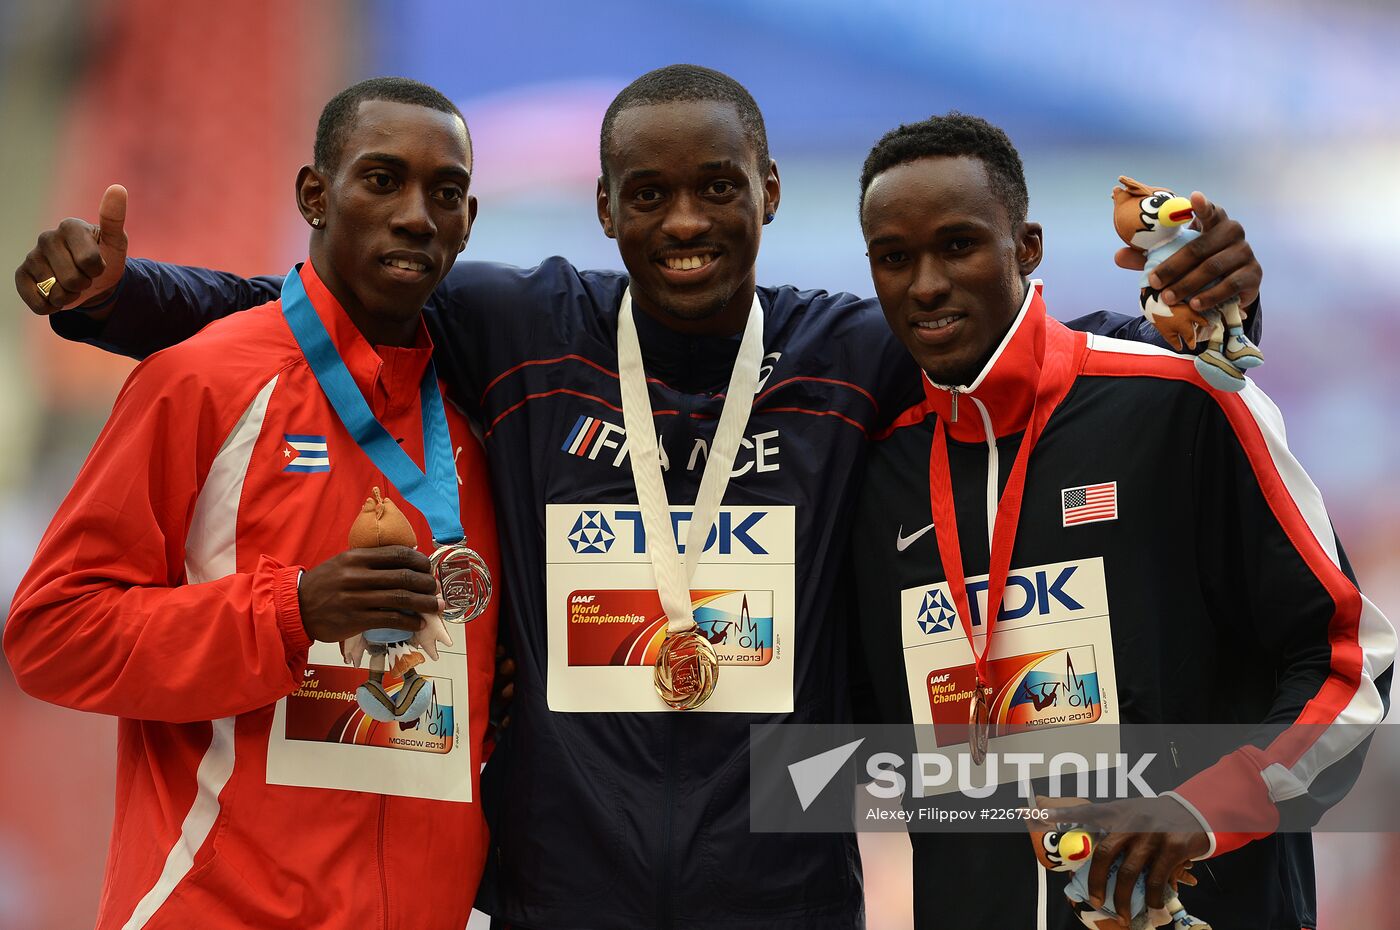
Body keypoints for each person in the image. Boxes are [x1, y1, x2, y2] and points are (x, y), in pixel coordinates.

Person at [14, 66, 1266, 930]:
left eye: (717, 187)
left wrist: (1209, 313)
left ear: (768, 193)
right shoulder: (520, 326)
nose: (686, 222)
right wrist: (123, 303)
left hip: (781, 894)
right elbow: (326, 310)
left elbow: (1010, 339)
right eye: (650, 194)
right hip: (559, 893)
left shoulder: (845, 352)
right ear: (604, 205)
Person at [848, 112, 1395, 929]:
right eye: (895, 259)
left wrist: (1203, 812)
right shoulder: (878, 471)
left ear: (1026, 247)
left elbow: (1350, 661)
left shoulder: (1180, 398)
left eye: (958, 245)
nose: (926, 284)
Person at [5, 77, 502, 929]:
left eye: (445, 193)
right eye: (382, 179)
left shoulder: (484, 417)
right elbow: (54, 633)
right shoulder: (200, 381)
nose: (417, 214)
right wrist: (291, 611)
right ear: (315, 193)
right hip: (217, 908)